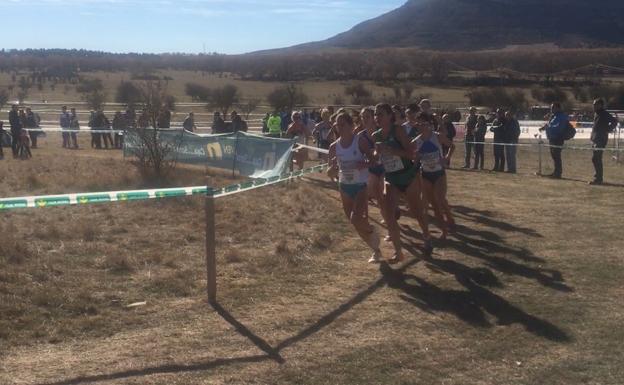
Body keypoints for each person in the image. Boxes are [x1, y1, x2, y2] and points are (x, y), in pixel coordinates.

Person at [373, 103, 432, 264]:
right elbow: (377, 154)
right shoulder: (376, 135)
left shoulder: (397, 130)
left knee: (416, 211)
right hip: (391, 178)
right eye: (376, 114)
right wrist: (376, 154)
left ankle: (427, 236)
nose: (377, 117)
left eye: (381, 114)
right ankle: (398, 252)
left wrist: (393, 151)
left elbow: (411, 154)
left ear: (390, 116)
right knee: (389, 214)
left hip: (407, 176)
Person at [327, 112, 382, 264]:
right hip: (344, 186)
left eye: (343, 124)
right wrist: (332, 169)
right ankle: (375, 250)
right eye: (338, 124)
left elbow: (374, 161)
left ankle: (371, 231)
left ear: (351, 125)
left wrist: (362, 165)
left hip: (360, 186)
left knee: (356, 218)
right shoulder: (333, 147)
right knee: (355, 222)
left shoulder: (360, 142)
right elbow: (329, 172)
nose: (340, 127)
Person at [413, 119, 455, 239]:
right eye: (420, 124)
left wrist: (446, 158)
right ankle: (439, 230)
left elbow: (452, 146)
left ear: (430, 125)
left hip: (439, 173)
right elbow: (415, 159)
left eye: (425, 124)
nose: (423, 126)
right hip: (425, 174)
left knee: (439, 200)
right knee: (428, 204)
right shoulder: (416, 141)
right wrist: (415, 161)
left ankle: (449, 219)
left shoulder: (437, 137)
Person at [589, 98, 618, 185]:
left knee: (596, 158)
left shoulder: (604, 113)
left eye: (596, 104)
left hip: (601, 139)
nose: (594, 106)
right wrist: (592, 138)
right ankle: (598, 177)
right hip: (595, 139)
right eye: (593, 104)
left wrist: (608, 129)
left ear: (601, 105)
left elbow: (614, 121)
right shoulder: (596, 114)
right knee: (595, 159)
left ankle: (598, 178)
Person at [539, 102, 568, 179]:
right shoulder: (553, 116)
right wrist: (545, 127)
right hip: (552, 138)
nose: (552, 109)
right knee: (554, 156)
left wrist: (548, 127)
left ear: (558, 108)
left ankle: (558, 173)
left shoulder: (562, 116)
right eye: (551, 108)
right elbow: (551, 125)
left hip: (558, 138)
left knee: (557, 156)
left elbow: (559, 127)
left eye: (553, 108)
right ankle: (556, 172)